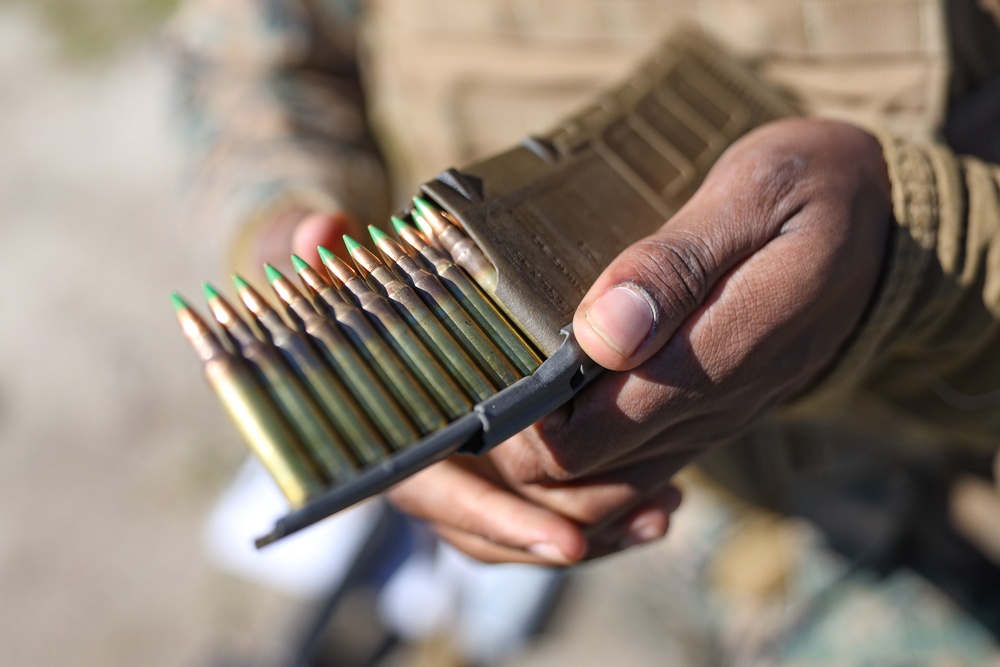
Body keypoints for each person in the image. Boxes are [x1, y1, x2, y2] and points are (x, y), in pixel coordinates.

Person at [170, 0, 1000, 654]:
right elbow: (248, 45)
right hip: (675, 500)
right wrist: (282, 215)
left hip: (943, 470)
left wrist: (920, 246)